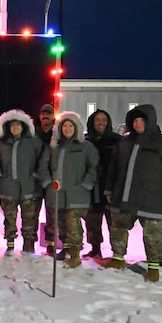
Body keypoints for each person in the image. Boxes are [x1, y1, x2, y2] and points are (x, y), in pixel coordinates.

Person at [103, 104, 162, 282]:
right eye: (135, 121)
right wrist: (109, 189)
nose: (138, 124)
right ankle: (117, 258)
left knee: (152, 233)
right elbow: (113, 169)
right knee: (118, 228)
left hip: (152, 197)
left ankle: (154, 266)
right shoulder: (124, 143)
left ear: (150, 121)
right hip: (124, 195)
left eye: (141, 120)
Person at [37, 111, 99, 268]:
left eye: (71, 125)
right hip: (57, 193)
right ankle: (65, 249)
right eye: (64, 125)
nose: (67, 128)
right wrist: (48, 183)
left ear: (76, 127)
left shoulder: (86, 146)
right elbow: (43, 166)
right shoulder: (53, 147)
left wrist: (86, 184)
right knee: (61, 223)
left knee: (73, 224)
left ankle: (75, 254)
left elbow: (94, 167)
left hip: (77, 194)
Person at [0, 109, 44, 256]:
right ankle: (10, 245)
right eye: (12, 125)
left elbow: (42, 160)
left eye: (18, 125)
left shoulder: (34, 143)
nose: (15, 128)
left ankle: (28, 245)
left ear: (23, 126)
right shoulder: (1, 145)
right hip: (8, 188)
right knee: (9, 218)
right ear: (7, 127)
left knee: (29, 218)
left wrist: (35, 175)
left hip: (29, 187)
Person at [83, 109, 122, 259]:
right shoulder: (86, 142)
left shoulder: (117, 141)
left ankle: (117, 252)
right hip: (92, 189)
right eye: (97, 120)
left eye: (104, 120)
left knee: (114, 223)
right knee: (92, 221)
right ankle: (95, 247)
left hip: (111, 188)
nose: (101, 123)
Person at [34, 103, 56, 251]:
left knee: (52, 213)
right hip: (35, 179)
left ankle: (51, 244)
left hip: (52, 179)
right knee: (32, 213)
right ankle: (30, 242)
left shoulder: (57, 133)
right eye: (43, 113)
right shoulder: (33, 133)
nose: (45, 116)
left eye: (49, 113)